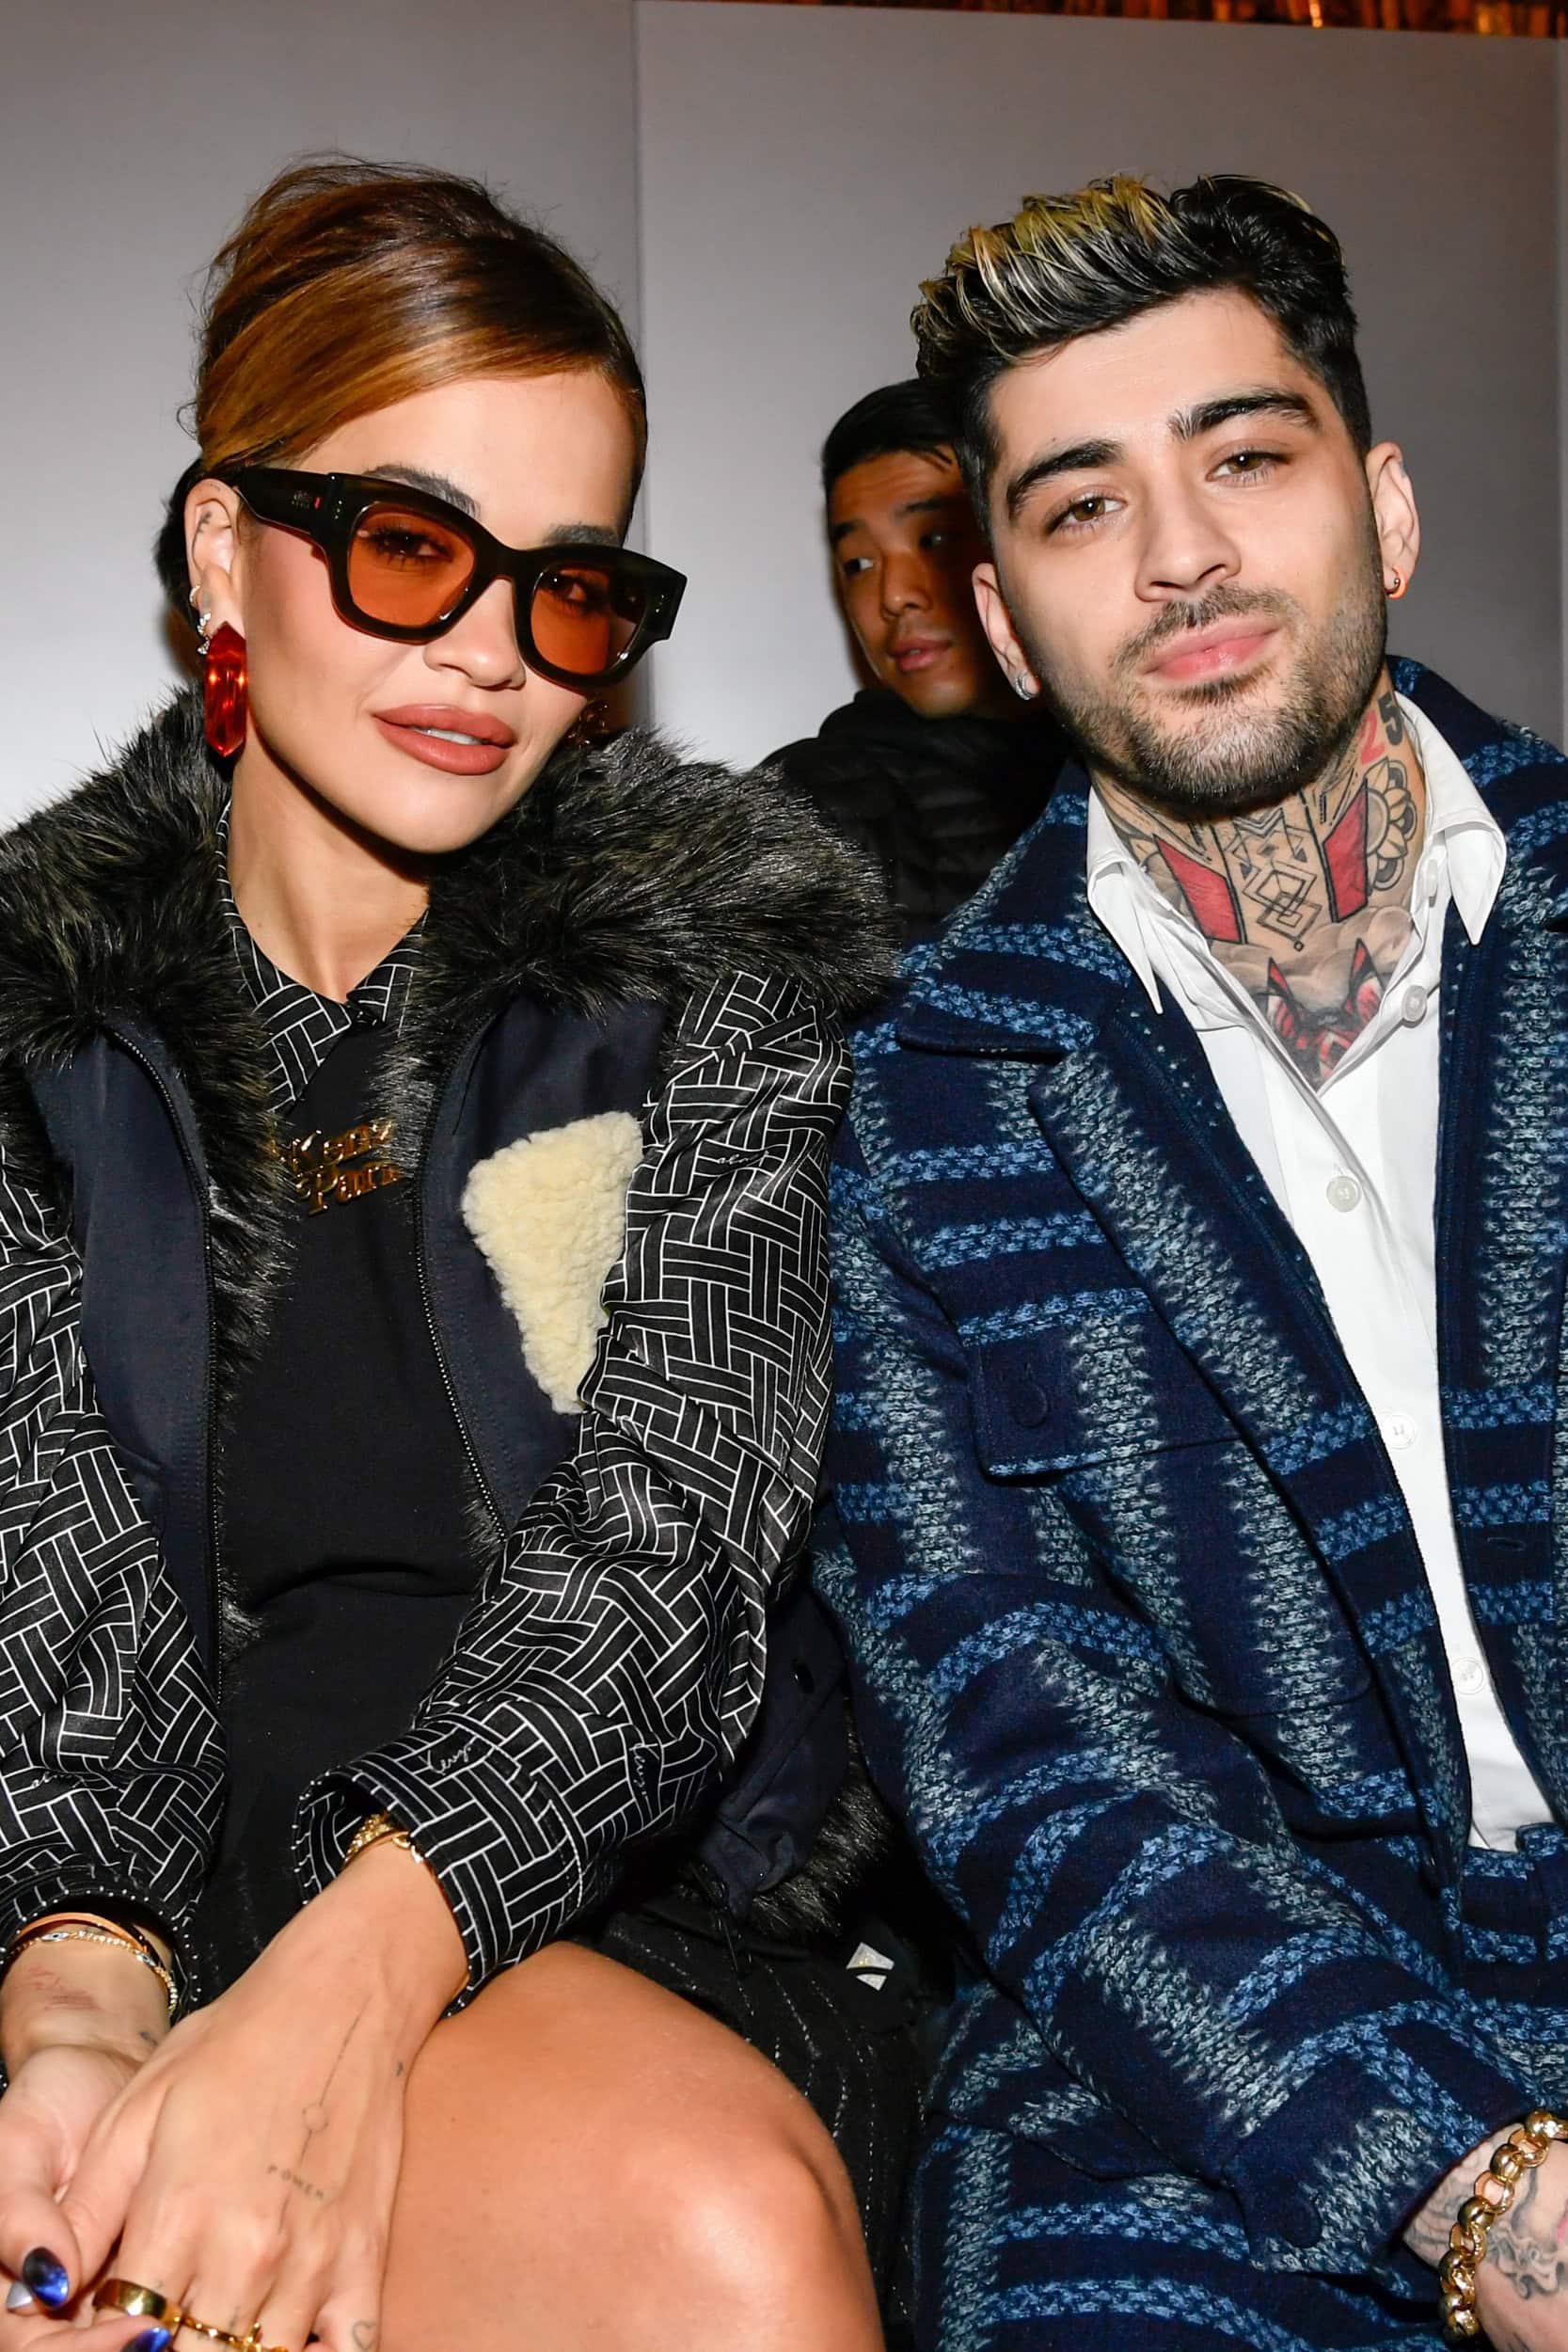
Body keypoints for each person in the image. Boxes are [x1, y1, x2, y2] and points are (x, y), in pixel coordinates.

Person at [0, 157, 912, 2352]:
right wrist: (83, 1992)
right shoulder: (39, 1021)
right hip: (130, 1887)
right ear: (222, 546)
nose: (493, 651)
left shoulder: (717, 973)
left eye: (567, 586)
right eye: (411, 544)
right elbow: (56, 1596)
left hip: (585, 1877)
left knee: (707, 2230)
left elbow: (673, 1554)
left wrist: (339, 1994)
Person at [816, 171, 1568, 2350]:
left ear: (1383, 508)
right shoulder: (925, 1096)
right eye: (1082, 505)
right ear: (1003, 615)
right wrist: (1476, 2186)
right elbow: (1019, 1744)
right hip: (1201, 2037)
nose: (1179, 554)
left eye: (1242, 457)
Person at [772, 379, 1065, 944]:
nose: (893, 595)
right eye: (858, 564)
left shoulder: (1134, 771)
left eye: (936, 540)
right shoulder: (811, 805)